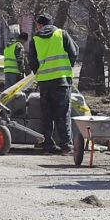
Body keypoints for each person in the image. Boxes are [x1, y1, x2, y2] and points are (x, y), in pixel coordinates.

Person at [26, 13, 78, 154]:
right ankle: (66, 146)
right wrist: (67, 67)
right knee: (62, 114)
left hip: (44, 82)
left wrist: (40, 72)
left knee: (47, 115)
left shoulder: (35, 39)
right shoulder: (61, 34)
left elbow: (32, 61)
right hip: (61, 80)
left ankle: (47, 146)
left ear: (40, 25)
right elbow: (74, 52)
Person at [1, 25, 28, 93]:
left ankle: (7, 104)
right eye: (24, 42)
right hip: (15, 72)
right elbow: (20, 60)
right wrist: (22, 72)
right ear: (23, 39)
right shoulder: (18, 45)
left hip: (7, 71)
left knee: (7, 92)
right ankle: (15, 104)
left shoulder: (8, 46)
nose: (24, 43)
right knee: (15, 92)